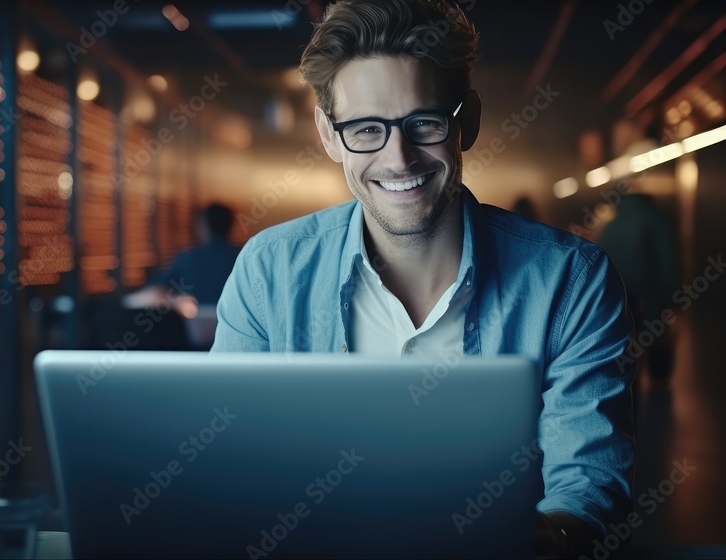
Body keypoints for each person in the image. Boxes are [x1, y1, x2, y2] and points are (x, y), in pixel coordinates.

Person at [211, 1, 634, 556]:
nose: (399, 158)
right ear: (329, 134)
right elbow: (226, 465)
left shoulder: (571, 282)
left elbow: (587, 486)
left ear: (469, 120)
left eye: (424, 124)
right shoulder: (269, 271)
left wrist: (541, 541)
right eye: (366, 129)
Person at [124, 203, 242, 348]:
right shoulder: (243, 258)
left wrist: (174, 301)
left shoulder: (188, 259)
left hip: (195, 338)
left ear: (203, 226)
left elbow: (155, 291)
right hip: (238, 338)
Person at [598, 192, 679, 380]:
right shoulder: (656, 220)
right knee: (655, 334)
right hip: (649, 291)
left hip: (618, 291)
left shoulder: (611, 225)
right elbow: (666, 258)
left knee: (624, 337)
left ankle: (629, 382)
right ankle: (659, 379)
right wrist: (673, 292)